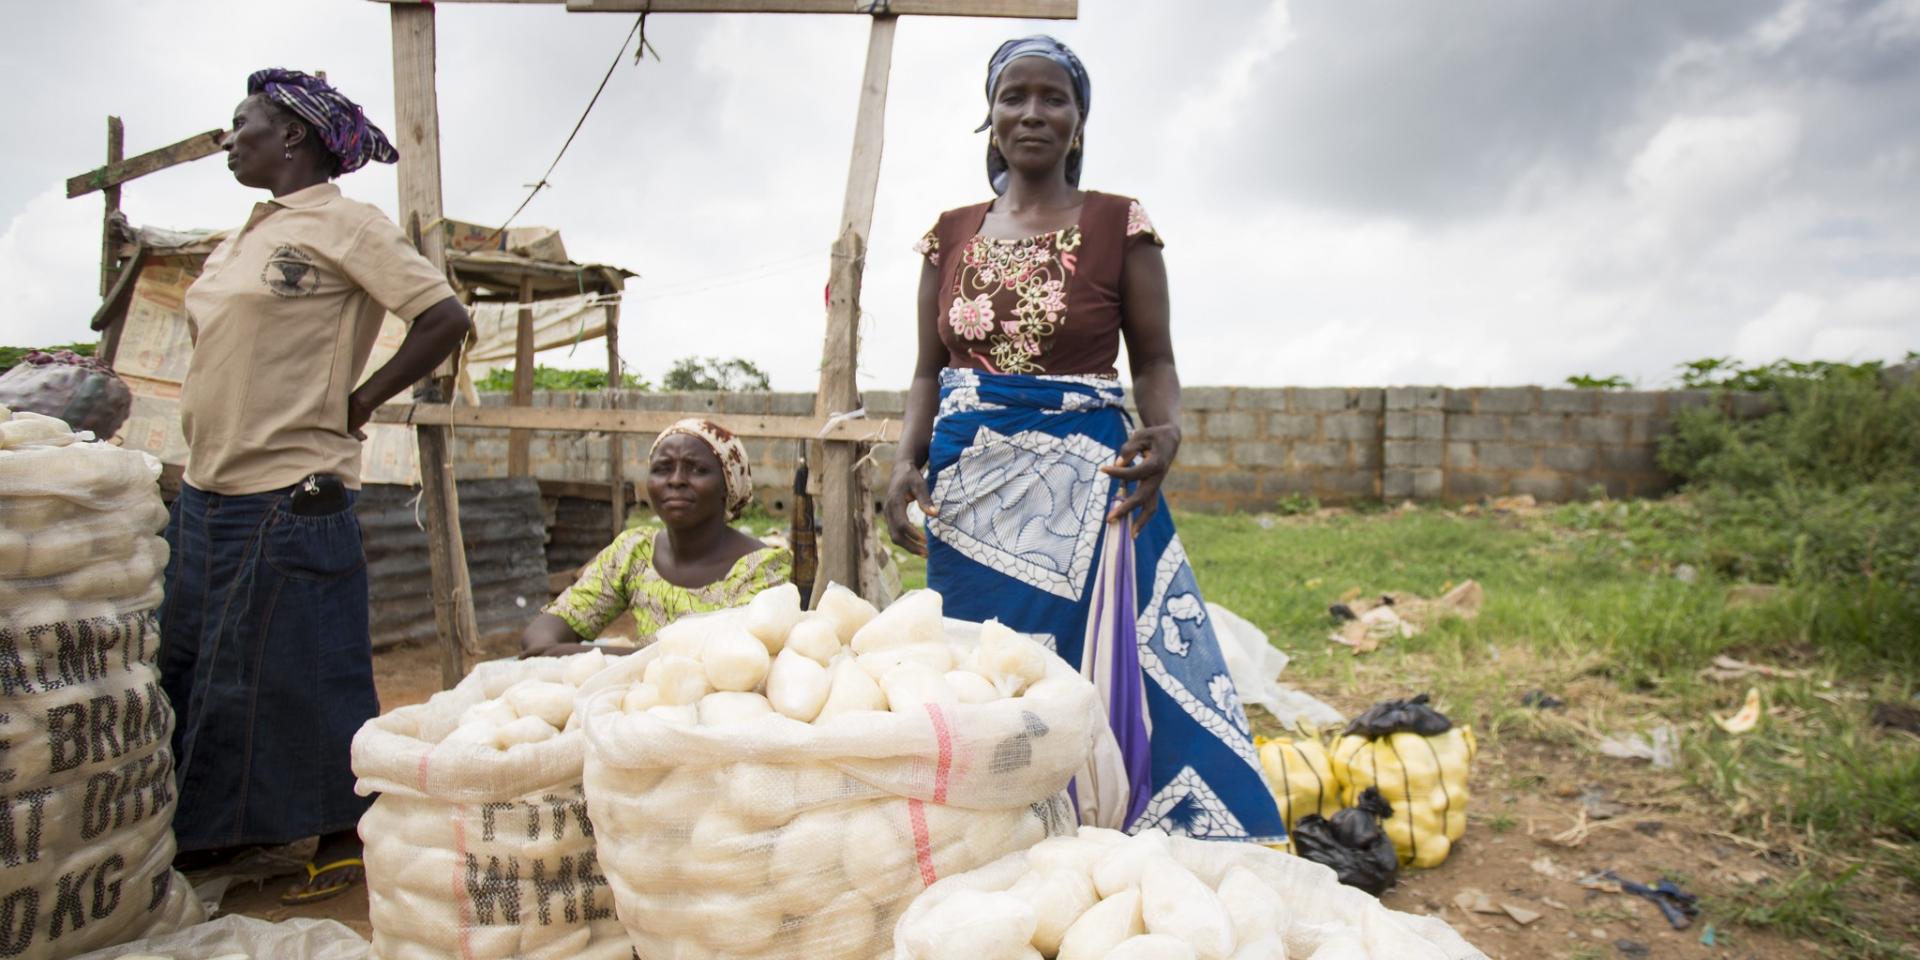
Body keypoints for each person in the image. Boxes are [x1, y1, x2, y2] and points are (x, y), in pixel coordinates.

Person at [884, 37, 1285, 842]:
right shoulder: (948, 234)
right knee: (976, 665)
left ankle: (1107, 830)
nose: (1032, 112)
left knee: (1099, 668)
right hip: (970, 492)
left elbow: (1157, 357)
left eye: (1053, 98)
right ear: (989, 120)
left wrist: (1166, 430)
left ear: (1079, 120)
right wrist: (905, 458)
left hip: (1092, 484)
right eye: (1014, 97)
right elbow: (928, 371)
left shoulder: (1117, 223)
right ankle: (988, 836)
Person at [159, 69, 473, 904]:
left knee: (306, 666)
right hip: (206, 489)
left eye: (242, 124)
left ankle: (341, 829)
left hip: (290, 487)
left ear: (291, 135)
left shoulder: (345, 225)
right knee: (204, 665)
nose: (230, 139)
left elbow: (444, 317)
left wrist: (362, 400)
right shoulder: (246, 237)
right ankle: (220, 833)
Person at [522, 419, 794, 656]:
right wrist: (552, 645)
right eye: (663, 468)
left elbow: (726, 662)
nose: (676, 480)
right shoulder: (634, 552)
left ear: (728, 485)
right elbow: (546, 630)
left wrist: (582, 654)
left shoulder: (761, 569)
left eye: (697, 469)